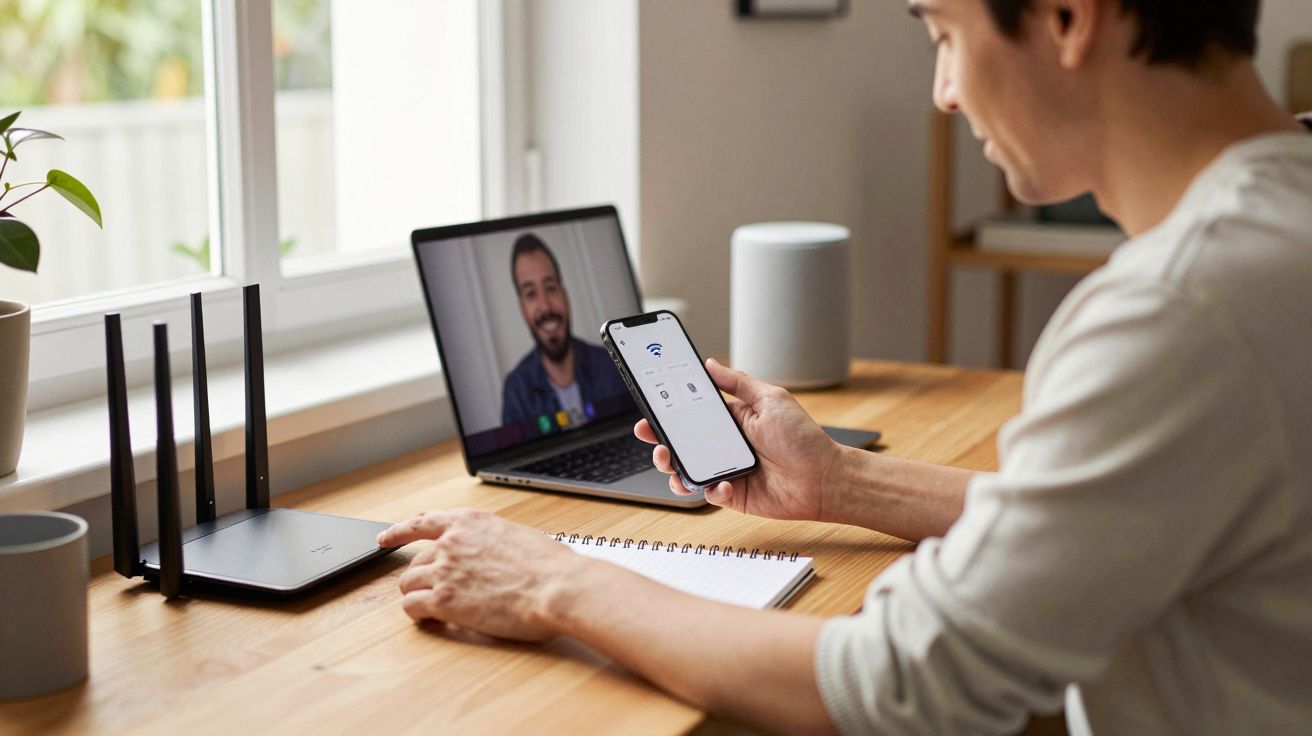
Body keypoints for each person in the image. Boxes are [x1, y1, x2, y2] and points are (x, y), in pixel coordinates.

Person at [380, 1, 1312, 733]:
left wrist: (559, 581)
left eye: (945, 33)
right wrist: (843, 480)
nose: (945, 91)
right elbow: (1117, 518)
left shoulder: (1179, 310)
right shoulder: (1278, 226)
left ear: (1068, 18)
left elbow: (901, 686)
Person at [500, 232, 627, 430]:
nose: (545, 306)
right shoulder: (516, 390)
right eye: (531, 294)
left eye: (550, 288)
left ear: (565, 295)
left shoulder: (611, 366)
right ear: (522, 309)